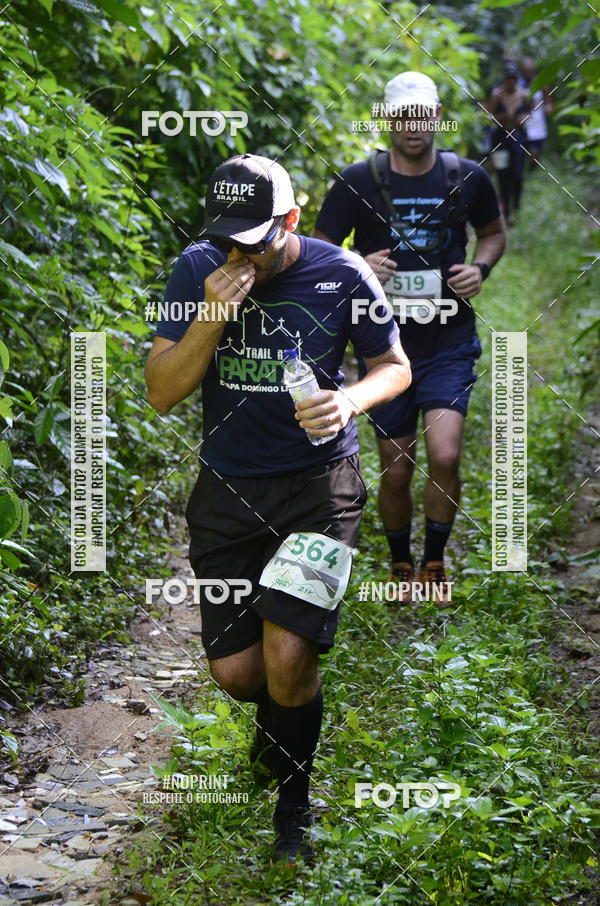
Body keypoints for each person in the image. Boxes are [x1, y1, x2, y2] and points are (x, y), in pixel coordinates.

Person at [145, 153, 411, 864]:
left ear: (292, 220)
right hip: (228, 490)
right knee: (239, 675)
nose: (242, 255)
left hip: (320, 487)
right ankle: (278, 729)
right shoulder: (197, 268)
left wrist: (349, 399)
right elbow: (162, 391)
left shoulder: (341, 273)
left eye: (257, 241)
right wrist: (210, 316)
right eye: (232, 240)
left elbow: (396, 367)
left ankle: (294, 812)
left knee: (289, 654)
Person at [315, 72, 506, 600]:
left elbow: (493, 234)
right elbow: (317, 250)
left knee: (444, 455)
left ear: (437, 115)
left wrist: (479, 270)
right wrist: (357, 263)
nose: (413, 125)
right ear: (388, 119)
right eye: (403, 115)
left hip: (448, 340)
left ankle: (434, 564)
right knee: (396, 468)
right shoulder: (357, 179)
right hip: (383, 347)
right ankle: (400, 564)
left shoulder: (467, 177)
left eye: (423, 114)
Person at [486, 61, 531, 221]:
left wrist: (521, 119)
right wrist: (504, 117)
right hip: (500, 139)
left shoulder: (524, 94)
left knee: (517, 174)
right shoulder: (496, 95)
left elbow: (529, 113)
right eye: (508, 79)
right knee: (503, 175)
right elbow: (489, 117)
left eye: (513, 79)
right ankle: (505, 210)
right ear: (504, 79)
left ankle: (516, 204)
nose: (510, 82)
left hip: (518, 138)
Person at [519, 56, 553, 167]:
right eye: (525, 70)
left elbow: (548, 102)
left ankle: (533, 167)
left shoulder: (541, 84)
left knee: (535, 152)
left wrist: (548, 109)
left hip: (538, 122)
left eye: (530, 70)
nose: (528, 72)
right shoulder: (518, 84)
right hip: (522, 121)